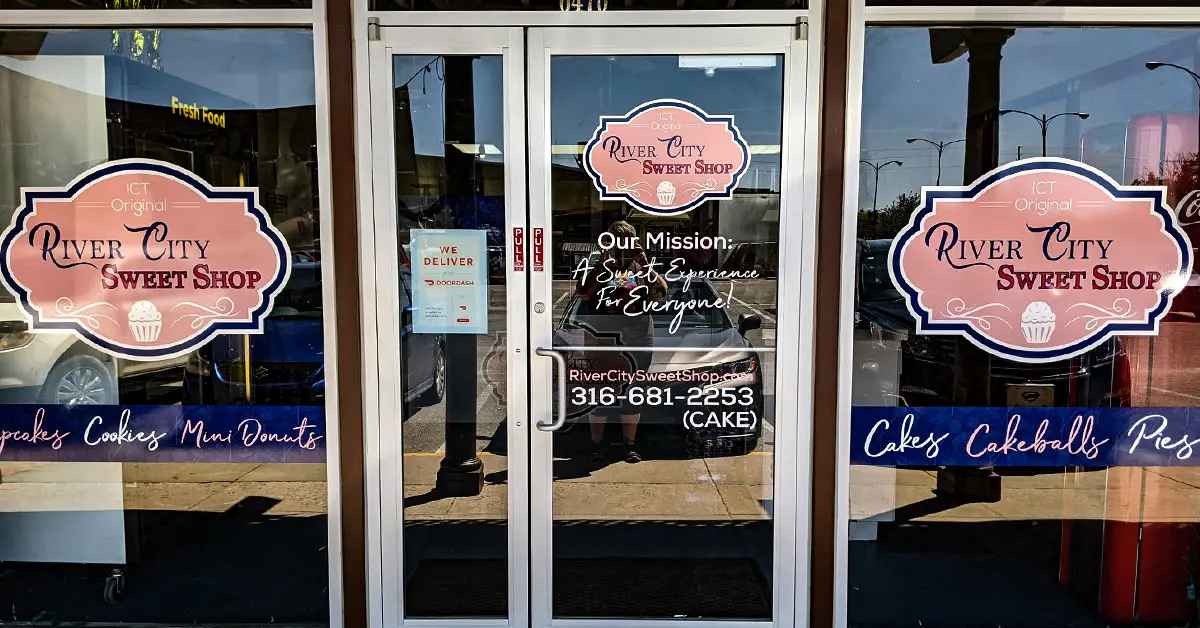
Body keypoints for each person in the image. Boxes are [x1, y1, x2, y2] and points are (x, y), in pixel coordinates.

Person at [577, 220, 667, 464]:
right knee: (600, 390)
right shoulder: (600, 266)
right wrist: (602, 262)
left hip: (637, 337)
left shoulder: (640, 267)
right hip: (602, 337)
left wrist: (645, 262)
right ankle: (596, 444)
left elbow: (661, 293)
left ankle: (630, 444)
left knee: (633, 391)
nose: (622, 249)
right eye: (617, 243)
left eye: (626, 243)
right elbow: (584, 293)